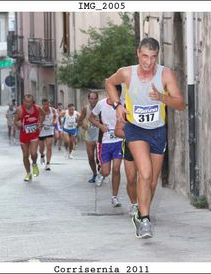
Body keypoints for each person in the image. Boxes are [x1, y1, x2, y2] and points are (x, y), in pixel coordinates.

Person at [105, 37, 185, 239]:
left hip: (157, 131)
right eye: (144, 56)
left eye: (153, 57)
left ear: (157, 56)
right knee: (145, 173)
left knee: (152, 182)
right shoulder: (127, 72)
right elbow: (109, 83)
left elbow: (180, 104)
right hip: (135, 129)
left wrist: (162, 98)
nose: (148, 62)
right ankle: (144, 220)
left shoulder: (165, 74)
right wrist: (118, 106)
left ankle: (141, 213)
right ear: (137, 53)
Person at [89, 85, 124, 207]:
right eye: (114, 94)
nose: (116, 97)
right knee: (106, 171)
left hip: (119, 141)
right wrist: (101, 126)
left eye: (118, 94)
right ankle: (101, 174)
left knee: (116, 169)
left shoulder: (123, 103)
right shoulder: (101, 104)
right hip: (106, 142)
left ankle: (114, 197)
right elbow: (91, 117)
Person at [14, 94, 45, 181]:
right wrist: (18, 124)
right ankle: (28, 173)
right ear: (23, 101)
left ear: (32, 102)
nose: (28, 104)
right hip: (24, 135)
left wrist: (40, 123)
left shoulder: (37, 108)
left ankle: (34, 163)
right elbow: (15, 121)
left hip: (34, 134)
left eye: (30, 102)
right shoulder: (20, 110)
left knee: (33, 153)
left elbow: (43, 115)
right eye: (26, 102)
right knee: (25, 155)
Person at [115, 117, 138, 216]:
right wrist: (135, 136)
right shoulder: (126, 110)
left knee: (146, 177)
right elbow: (118, 131)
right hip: (130, 146)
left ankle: (144, 205)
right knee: (131, 178)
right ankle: (134, 204)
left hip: (148, 146)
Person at [78, 91, 101, 184]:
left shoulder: (101, 108)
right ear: (89, 99)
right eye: (91, 98)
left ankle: (100, 172)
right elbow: (80, 121)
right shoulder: (85, 109)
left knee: (98, 158)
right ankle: (95, 174)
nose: (93, 100)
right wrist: (84, 126)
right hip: (89, 135)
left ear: (97, 99)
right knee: (90, 156)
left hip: (100, 135)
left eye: (95, 98)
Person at [39, 98, 56, 171]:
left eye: (47, 104)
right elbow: (36, 119)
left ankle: (48, 163)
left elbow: (55, 118)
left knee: (49, 146)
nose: (46, 106)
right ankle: (42, 155)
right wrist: (40, 124)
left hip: (49, 130)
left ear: (49, 104)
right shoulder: (39, 110)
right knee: (41, 148)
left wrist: (54, 122)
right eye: (44, 104)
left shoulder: (52, 110)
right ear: (42, 104)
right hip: (41, 131)